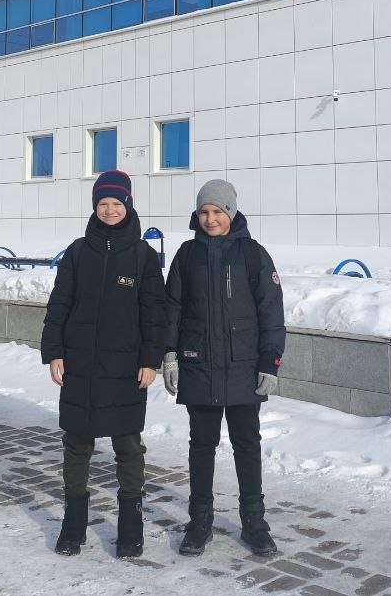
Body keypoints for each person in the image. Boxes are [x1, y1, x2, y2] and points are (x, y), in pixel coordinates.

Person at [42, 169, 166, 558]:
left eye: (116, 203)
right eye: (103, 203)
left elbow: (155, 314)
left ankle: (130, 526)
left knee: (128, 446)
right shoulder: (78, 252)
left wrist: (151, 360)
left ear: (128, 205)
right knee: (76, 444)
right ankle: (73, 525)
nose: (109, 210)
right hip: (79, 365)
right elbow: (59, 304)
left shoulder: (143, 256)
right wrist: (55, 351)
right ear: (94, 206)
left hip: (126, 368)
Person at [162, 179, 286, 557]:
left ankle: (254, 523)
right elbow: (172, 309)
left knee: (247, 445)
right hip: (199, 365)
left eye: (217, 211)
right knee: (201, 446)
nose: (210, 219)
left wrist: (270, 362)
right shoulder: (187, 255)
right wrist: (169, 354)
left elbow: (271, 312)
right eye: (204, 212)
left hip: (243, 368)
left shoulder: (253, 255)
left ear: (231, 212)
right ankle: (199, 522)